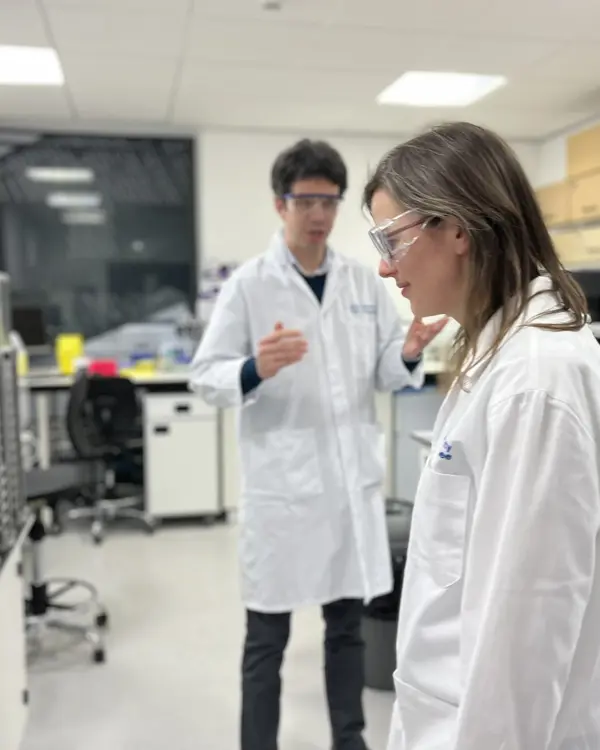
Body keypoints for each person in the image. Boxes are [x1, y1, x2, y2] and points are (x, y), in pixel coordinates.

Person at [189, 138, 447, 750]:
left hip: (346, 491)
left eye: (329, 201)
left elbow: (387, 369)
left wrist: (409, 350)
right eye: (306, 199)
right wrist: (254, 367)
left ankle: (349, 739)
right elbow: (207, 376)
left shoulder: (362, 282)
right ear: (281, 204)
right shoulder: (250, 286)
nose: (319, 213)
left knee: (346, 632)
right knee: (266, 641)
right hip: (282, 494)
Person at [363, 121, 600, 750]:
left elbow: (526, 628)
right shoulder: (500, 354)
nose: (386, 267)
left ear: (458, 228)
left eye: (393, 239)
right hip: (445, 711)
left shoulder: (535, 383)